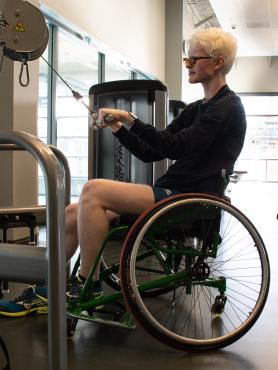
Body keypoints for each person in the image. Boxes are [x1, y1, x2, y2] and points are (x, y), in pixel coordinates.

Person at [0, 27, 246, 317]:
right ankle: (50, 289)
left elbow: (177, 147)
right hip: (173, 193)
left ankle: (84, 285)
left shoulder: (227, 107)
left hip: (190, 199)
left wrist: (129, 118)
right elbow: (152, 152)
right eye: (186, 60)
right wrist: (119, 127)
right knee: (72, 213)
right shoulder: (197, 109)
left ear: (218, 62)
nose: (188, 65)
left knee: (93, 189)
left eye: (194, 59)